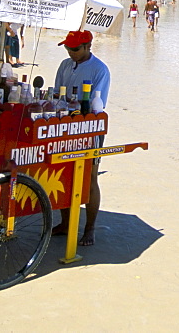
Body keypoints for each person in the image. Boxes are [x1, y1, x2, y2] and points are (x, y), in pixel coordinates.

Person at [53, 30, 110, 247]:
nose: (71, 53)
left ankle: (90, 228)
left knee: (90, 178)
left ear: (88, 47)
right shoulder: (64, 65)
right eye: (68, 48)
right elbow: (57, 93)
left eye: (75, 49)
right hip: (65, 127)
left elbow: (98, 102)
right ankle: (66, 222)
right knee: (63, 174)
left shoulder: (100, 70)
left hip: (90, 128)